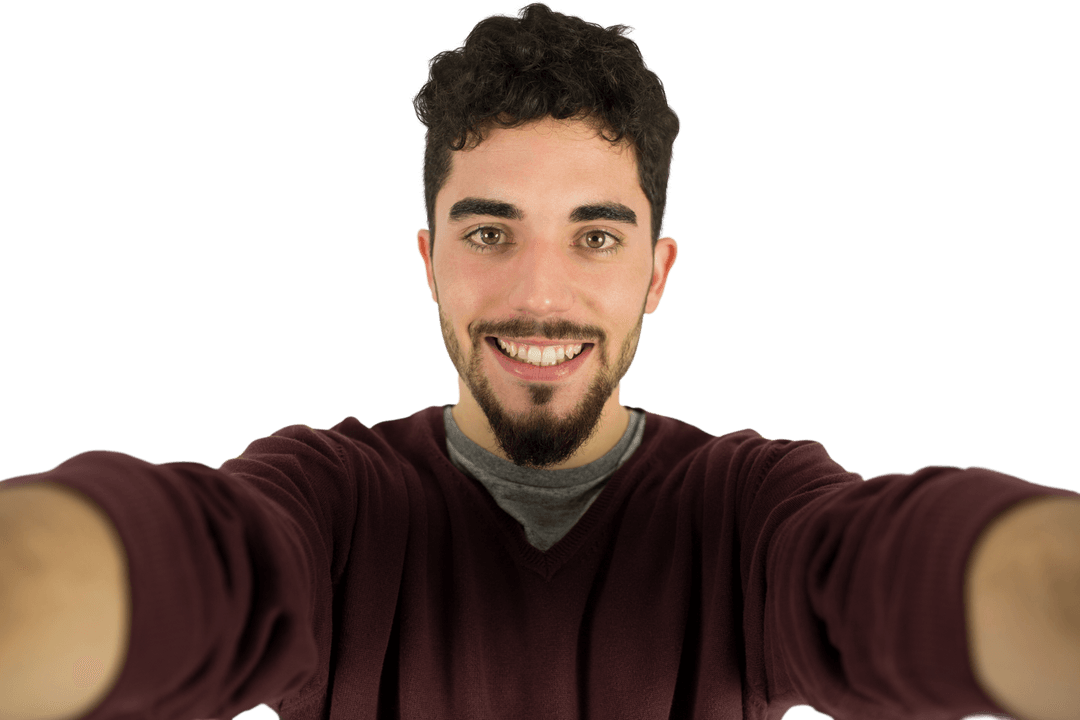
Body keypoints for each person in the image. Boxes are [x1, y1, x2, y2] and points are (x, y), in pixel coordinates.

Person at [2, 4, 1078, 720]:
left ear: (657, 273)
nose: (539, 294)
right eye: (488, 232)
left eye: (595, 236)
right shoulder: (331, 500)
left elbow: (890, 575)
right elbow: (197, 566)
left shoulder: (747, 506)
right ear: (429, 262)